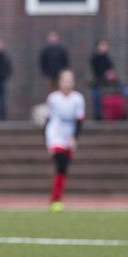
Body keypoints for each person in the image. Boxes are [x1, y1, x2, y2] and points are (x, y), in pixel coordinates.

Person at [44, 69, 85, 211]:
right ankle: (55, 199)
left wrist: (74, 138)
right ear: (60, 82)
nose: (67, 82)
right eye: (64, 79)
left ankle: (57, 198)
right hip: (55, 134)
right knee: (60, 164)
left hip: (69, 136)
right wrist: (47, 139)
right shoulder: (53, 98)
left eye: (69, 80)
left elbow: (79, 121)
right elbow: (47, 119)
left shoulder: (78, 99)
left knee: (63, 169)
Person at [88, 39, 114, 121]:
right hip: (96, 83)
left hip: (106, 84)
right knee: (96, 100)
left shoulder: (107, 58)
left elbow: (110, 70)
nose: (104, 47)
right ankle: (97, 117)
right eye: (102, 45)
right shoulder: (94, 58)